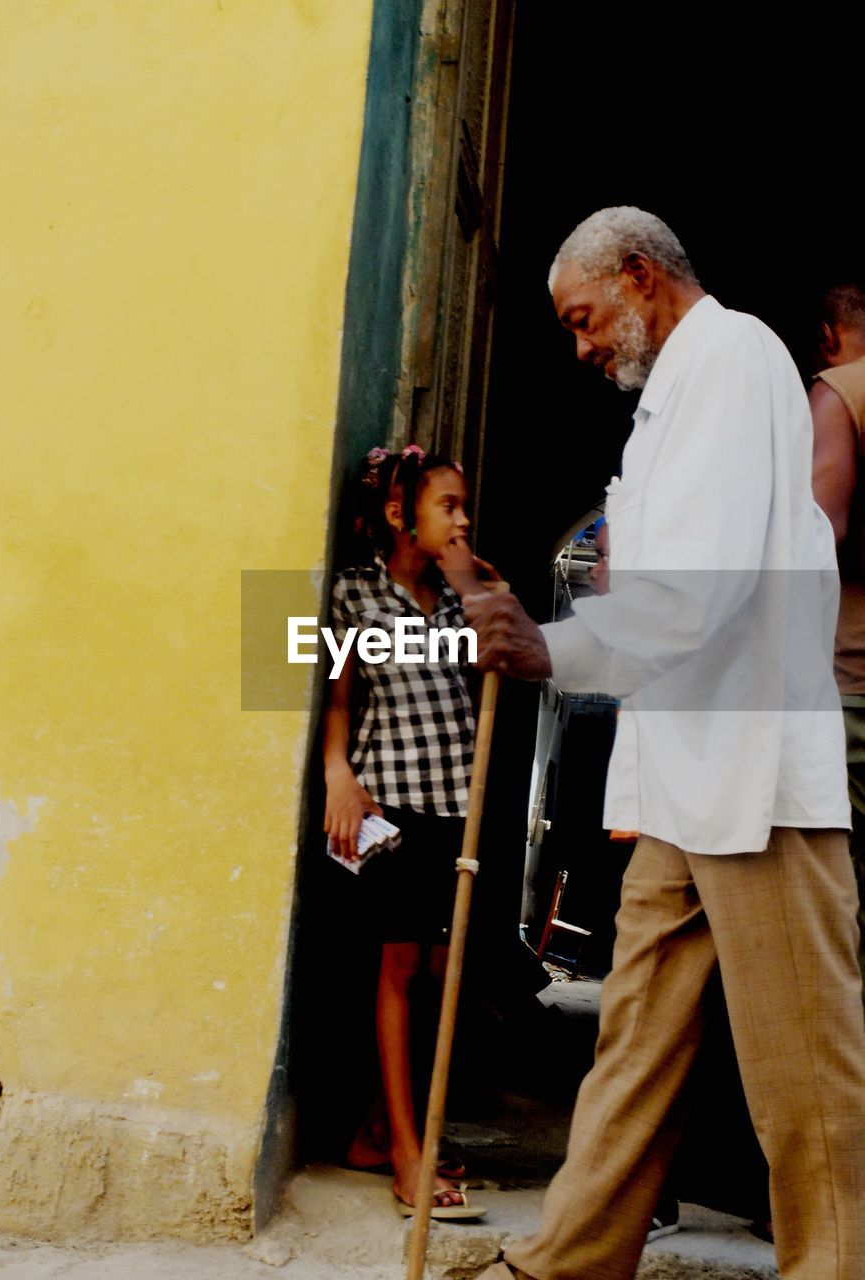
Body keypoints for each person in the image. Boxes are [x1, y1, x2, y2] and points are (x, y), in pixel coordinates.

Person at [465, 208, 865, 1280]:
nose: (581, 344)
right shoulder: (669, 403)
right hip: (689, 772)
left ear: (639, 276)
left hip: (751, 775)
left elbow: (703, 585)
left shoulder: (732, 359)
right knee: (634, 1042)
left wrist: (552, 651)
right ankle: (572, 1258)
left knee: (804, 1068)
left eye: (584, 317)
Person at [323, 444, 494, 1220]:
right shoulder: (357, 593)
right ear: (401, 516)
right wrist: (337, 774)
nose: (462, 519)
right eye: (448, 506)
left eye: (465, 506)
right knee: (396, 967)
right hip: (388, 802)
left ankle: (377, 1132)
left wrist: (472, 581)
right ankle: (407, 1154)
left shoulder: (465, 597)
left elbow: (513, 655)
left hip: (456, 802)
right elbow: (339, 696)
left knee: (435, 970)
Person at [810, 283, 865, 973]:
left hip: (849, 683)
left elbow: (819, 532)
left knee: (840, 903)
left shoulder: (839, 392)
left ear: (828, 335)